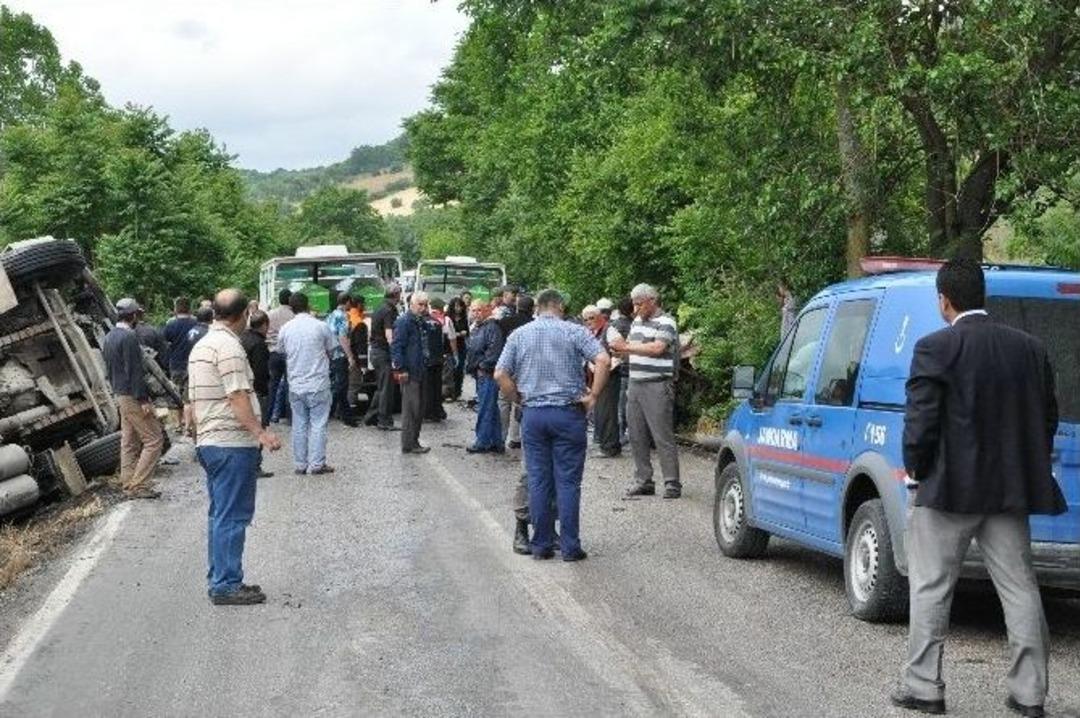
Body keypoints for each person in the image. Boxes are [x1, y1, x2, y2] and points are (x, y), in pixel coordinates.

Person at [890, 259, 1066, 718]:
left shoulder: (935, 348)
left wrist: (916, 470)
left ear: (944, 300)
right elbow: (1047, 417)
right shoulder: (1029, 348)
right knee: (1021, 589)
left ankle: (924, 688)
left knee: (930, 589)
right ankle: (1030, 696)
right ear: (982, 295)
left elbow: (920, 423)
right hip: (1009, 495)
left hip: (946, 492)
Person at [495, 288, 610, 561]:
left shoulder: (519, 334)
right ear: (558, 306)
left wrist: (517, 398)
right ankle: (570, 547)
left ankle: (541, 545)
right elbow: (603, 359)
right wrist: (593, 396)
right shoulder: (574, 331)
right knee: (568, 482)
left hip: (534, 415)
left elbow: (500, 373)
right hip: (568, 414)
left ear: (537, 307)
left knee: (538, 480)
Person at [188, 289, 282, 606]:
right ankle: (226, 585)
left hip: (210, 441)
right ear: (242, 315)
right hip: (230, 443)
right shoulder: (229, 347)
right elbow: (237, 395)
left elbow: (192, 400)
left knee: (220, 514)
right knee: (232, 515)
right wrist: (260, 432)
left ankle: (221, 578)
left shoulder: (202, 345)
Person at [609, 283, 681, 499]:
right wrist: (620, 352)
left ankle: (672, 483)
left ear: (652, 300)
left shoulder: (666, 321)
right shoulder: (637, 322)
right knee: (637, 435)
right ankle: (644, 480)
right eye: (634, 303)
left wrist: (626, 348)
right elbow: (634, 347)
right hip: (636, 382)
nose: (635, 308)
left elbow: (658, 348)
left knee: (662, 435)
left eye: (639, 303)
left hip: (657, 383)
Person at [102, 298, 164, 500]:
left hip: (120, 394)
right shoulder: (128, 338)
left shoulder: (110, 336)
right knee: (154, 439)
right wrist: (144, 399)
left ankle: (128, 480)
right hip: (132, 395)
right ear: (134, 315)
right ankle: (139, 485)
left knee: (128, 441)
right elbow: (134, 371)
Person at [277, 292, 336, 475]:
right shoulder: (320, 326)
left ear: (290, 307)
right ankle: (317, 464)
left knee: (299, 423)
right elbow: (332, 350)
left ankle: (300, 464)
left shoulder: (285, 328)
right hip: (318, 382)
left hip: (295, 383)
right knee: (318, 423)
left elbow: (281, 351)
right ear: (308, 304)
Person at [391, 291, 431, 454]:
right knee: (411, 409)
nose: (423, 308)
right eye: (420, 304)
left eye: (425, 304)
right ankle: (409, 443)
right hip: (410, 371)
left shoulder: (420, 322)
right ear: (412, 304)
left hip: (420, 369)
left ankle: (413, 441)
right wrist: (401, 368)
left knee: (419, 408)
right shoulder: (404, 322)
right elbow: (396, 346)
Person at [465, 299, 505, 454]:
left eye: (479, 310)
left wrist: (482, 366)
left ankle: (482, 441)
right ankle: (495, 441)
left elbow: (494, 352)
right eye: (473, 310)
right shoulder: (479, 327)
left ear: (488, 309)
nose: (476, 313)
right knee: (491, 408)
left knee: (485, 408)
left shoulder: (492, 327)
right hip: (480, 373)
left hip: (487, 374)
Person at [583, 304, 622, 458]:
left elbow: (620, 350)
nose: (588, 322)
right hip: (598, 376)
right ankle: (606, 443)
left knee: (607, 412)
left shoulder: (609, 330)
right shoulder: (593, 332)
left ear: (600, 317)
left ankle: (610, 447)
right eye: (585, 319)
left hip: (609, 376)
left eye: (591, 318)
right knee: (600, 411)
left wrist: (608, 367)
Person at [498, 295, 534, 449]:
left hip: (508, 366)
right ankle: (516, 437)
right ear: (532, 309)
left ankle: (500, 436)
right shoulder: (534, 325)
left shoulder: (504, 322)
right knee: (519, 401)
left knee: (503, 401)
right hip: (526, 367)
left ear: (517, 307)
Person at [363, 284, 401, 431]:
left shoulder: (380, 307)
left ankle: (371, 416)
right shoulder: (389, 310)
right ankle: (384, 421)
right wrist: (396, 354)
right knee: (387, 389)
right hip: (383, 352)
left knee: (381, 387)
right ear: (396, 295)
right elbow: (389, 334)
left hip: (375, 352)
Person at [163, 296, 198, 433]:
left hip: (176, 363)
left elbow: (166, 341)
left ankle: (177, 425)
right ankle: (188, 426)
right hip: (192, 363)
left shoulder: (170, 324)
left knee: (175, 394)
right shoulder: (195, 323)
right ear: (189, 308)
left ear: (176, 308)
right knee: (188, 398)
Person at [326, 294, 358, 427]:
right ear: (347, 302)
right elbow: (342, 337)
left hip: (330, 355)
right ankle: (345, 417)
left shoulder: (331, 315)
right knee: (341, 387)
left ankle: (340, 414)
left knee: (336, 386)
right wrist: (350, 356)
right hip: (340, 355)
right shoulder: (343, 316)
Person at [422, 298, 454, 421]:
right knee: (436, 387)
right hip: (437, 360)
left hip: (428, 361)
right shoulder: (436, 322)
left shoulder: (421, 323)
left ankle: (429, 411)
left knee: (428, 388)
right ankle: (436, 410)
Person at [266, 288, 294, 424]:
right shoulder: (293, 315)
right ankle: (289, 416)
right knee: (289, 384)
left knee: (273, 384)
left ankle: (270, 415)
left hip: (273, 352)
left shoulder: (270, 314)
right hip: (289, 354)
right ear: (289, 299)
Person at [611, 296, 633, 445]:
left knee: (619, 405)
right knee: (629, 405)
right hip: (633, 369)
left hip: (619, 370)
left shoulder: (614, 325)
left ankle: (619, 435)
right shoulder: (635, 325)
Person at [346, 295, 368, 417]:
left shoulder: (347, 317)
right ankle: (351, 415)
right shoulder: (359, 323)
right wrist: (363, 365)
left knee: (346, 386)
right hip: (354, 360)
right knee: (354, 386)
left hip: (342, 358)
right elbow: (361, 346)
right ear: (359, 305)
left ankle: (342, 411)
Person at [447, 296, 470, 400]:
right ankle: (448, 391)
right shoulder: (448, 318)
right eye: (456, 306)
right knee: (450, 369)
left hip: (461, 346)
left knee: (460, 369)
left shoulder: (464, 318)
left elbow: (467, 331)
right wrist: (455, 334)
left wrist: (464, 333)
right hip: (450, 346)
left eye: (460, 306)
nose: (458, 308)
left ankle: (457, 391)